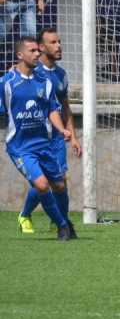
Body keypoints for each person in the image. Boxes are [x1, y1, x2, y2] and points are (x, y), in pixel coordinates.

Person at [1, 37, 73, 241]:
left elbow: (52, 110)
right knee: (41, 185)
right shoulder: (6, 83)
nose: (37, 54)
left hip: (44, 144)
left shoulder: (45, 83)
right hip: (21, 147)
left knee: (59, 185)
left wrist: (61, 129)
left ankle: (64, 222)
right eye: (33, 51)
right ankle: (62, 226)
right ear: (20, 55)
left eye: (37, 51)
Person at [17, 28, 82, 238]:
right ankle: (25, 215)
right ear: (42, 48)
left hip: (56, 137)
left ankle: (59, 222)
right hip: (35, 138)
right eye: (53, 42)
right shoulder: (32, 73)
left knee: (59, 180)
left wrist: (72, 135)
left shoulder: (61, 75)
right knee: (43, 181)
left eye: (60, 42)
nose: (59, 46)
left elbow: (65, 107)